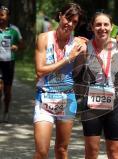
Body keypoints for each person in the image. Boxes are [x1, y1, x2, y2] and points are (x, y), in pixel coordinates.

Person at [33, 3, 87, 158]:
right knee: (42, 151)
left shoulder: (77, 44)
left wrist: (83, 55)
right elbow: (39, 71)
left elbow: (77, 73)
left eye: (74, 22)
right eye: (67, 18)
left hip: (67, 98)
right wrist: (67, 58)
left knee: (62, 150)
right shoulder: (44, 38)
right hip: (45, 96)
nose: (69, 24)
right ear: (60, 16)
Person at [74, 12, 118, 159]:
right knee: (91, 151)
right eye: (98, 24)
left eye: (105, 24)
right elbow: (76, 74)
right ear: (92, 27)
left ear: (111, 27)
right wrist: (79, 53)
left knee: (114, 151)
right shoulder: (85, 46)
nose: (102, 28)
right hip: (92, 103)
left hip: (115, 102)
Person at [0, 5, 21, 122]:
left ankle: (6, 111)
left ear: (8, 17)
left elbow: (22, 45)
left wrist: (16, 46)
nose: (0, 17)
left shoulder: (14, 30)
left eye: (2, 15)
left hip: (9, 62)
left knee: (7, 90)